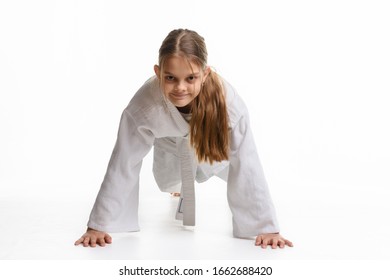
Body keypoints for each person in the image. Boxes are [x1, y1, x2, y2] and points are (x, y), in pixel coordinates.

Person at [74, 29, 293, 249]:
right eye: (170, 78)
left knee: (232, 168)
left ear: (205, 74)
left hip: (213, 145)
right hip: (168, 144)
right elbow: (124, 161)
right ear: (158, 73)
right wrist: (99, 224)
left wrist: (266, 228)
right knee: (166, 180)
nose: (180, 87)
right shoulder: (144, 106)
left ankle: (201, 172)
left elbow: (247, 161)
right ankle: (175, 186)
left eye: (191, 78)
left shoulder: (229, 104)